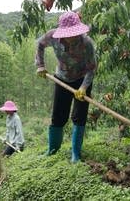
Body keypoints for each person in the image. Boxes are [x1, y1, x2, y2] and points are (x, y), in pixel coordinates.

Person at [35, 11, 97, 163]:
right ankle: (53, 149)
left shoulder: (87, 43)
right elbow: (39, 44)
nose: (71, 37)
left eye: (74, 33)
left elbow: (92, 68)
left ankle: (75, 153)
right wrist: (40, 65)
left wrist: (83, 87)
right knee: (58, 116)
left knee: (79, 116)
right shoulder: (52, 37)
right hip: (62, 79)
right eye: (68, 34)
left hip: (82, 80)